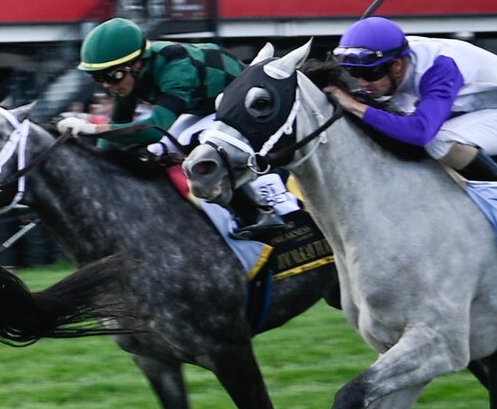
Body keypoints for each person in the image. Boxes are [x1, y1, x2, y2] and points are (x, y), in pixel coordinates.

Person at [63, 17, 316, 246]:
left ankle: (260, 212)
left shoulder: (176, 69)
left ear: (137, 64)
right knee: (156, 151)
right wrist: (96, 167)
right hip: (205, 105)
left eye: (113, 76)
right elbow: (118, 130)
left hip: (238, 105)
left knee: (183, 140)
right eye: (100, 79)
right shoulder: (129, 80)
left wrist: (92, 129)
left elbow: (156, 128)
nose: (108, 85)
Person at [325, 17, 497, 183]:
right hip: (477, 111)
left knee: (439, 141)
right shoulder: (395, 55)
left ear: (397, 66)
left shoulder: (439, 69)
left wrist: (354, 105)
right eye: (355, 74)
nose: (362, 83)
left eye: (371, 74)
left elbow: (420, 133)